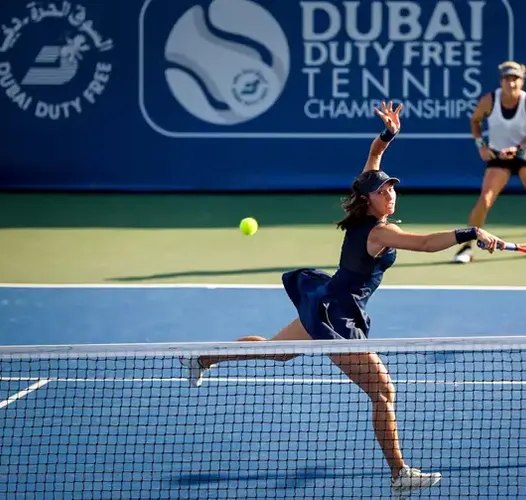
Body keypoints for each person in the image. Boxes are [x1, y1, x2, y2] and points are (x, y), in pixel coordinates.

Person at [180, 101, 505, 495]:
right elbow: (423, 242)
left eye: (392, 188)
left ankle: (200, 358)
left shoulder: (368, 201)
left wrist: (388, 135)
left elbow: (374, 156)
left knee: (277, 352)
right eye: (384, 190)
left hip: (326, 301)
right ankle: (400, 473)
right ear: (368, 199)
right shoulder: (378, 233)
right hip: (339, 317)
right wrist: (470, 232)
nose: (391, 194)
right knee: (383, 391)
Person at [454, 60, 526, 264]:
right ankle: (467, 247)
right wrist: (482, 145)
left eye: (515, 79)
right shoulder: (489, 100)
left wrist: (518, 148)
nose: (511, 83)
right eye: (507, 79)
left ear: (522, 82)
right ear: (501, 81)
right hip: (498, 158)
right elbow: (475, 121)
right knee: (484, 200)